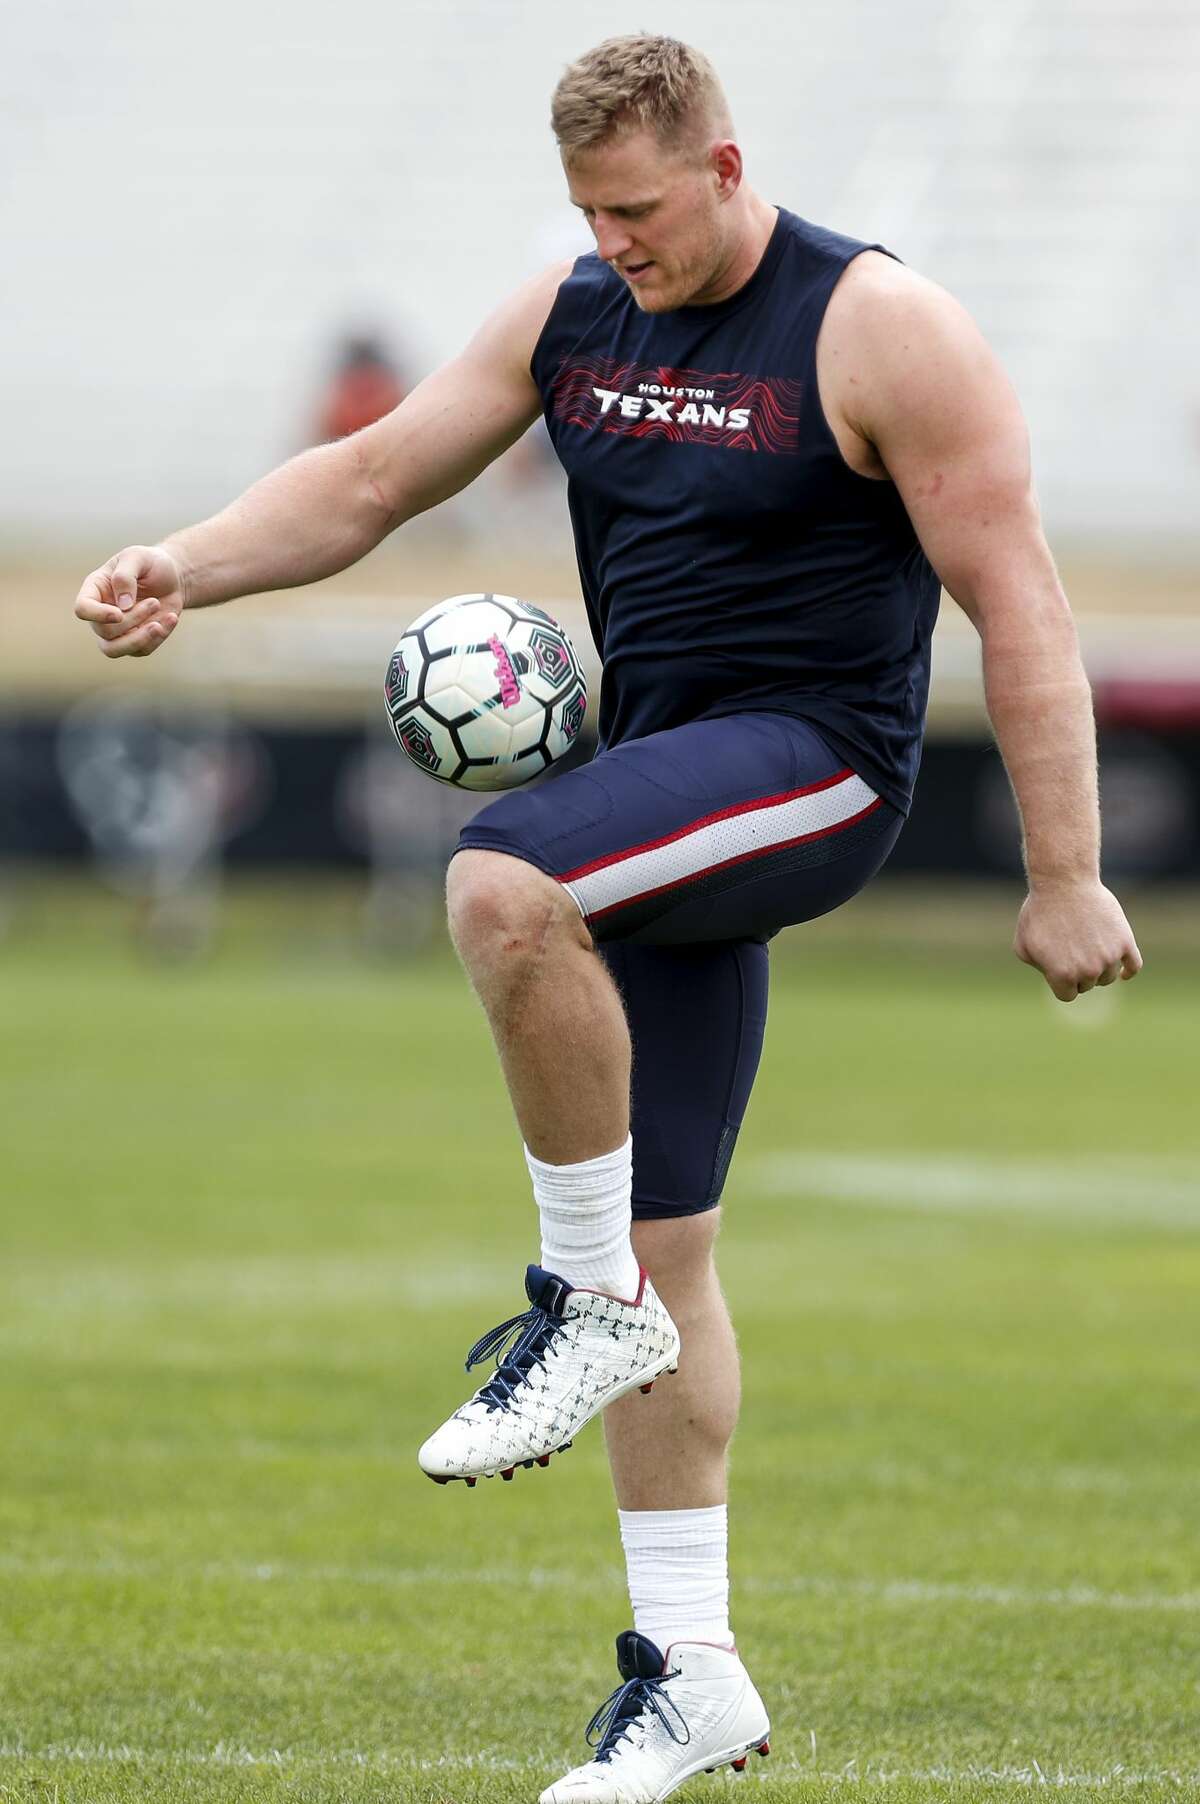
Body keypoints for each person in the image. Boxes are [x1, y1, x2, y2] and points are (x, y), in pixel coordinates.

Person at [73, 34, 1143, 1804]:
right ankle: (689, 1674)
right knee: (680, 1248)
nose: (613, 240)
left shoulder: (878, 327)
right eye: (586, 211)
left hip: (819, 767)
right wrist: (181, 562)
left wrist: (1063, 868)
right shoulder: (578, 309)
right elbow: (368, 481)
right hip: (664, 797)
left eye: (637, 209)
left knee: (504, 877)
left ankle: (579, 1301)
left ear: (726, 169)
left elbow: (1016, 602)